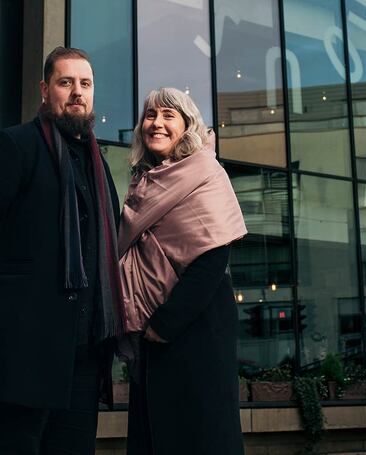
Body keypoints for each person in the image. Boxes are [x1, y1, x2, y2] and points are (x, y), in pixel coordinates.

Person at [0, 46, 124, 454]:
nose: (77, 92)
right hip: (25, 349)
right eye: (66, 82)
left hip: (84, 355)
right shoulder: (14, 146)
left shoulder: (99, 164)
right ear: (46, 90)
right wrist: (5, 292)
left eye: (86, 84)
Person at [118, 87, 247, 455]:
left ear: (187, 126)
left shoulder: (206, 173)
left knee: (196, 435)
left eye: (168, 115)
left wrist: (165, 324)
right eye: (150, 115)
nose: (156, 123)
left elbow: (213, 257)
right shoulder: (145, 179)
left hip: (195, 329)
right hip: (151, 335)